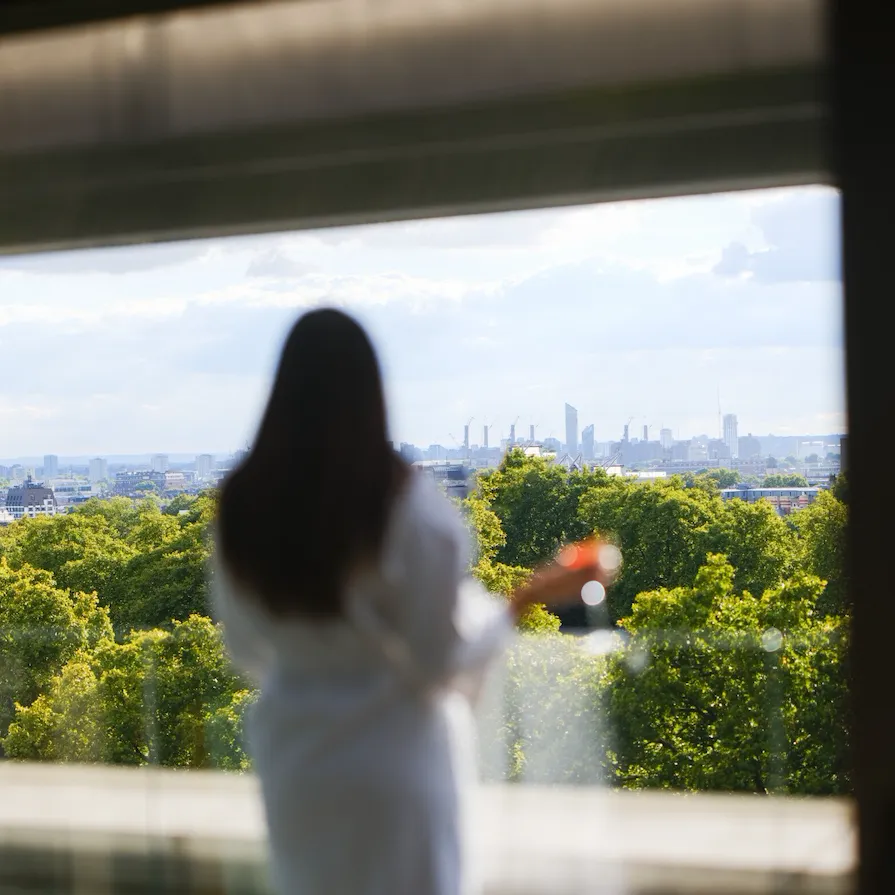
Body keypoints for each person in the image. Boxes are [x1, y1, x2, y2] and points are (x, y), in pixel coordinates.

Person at [212, 308, 613, 895]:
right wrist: (527, 596)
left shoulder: (242, 507)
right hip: (395, 761)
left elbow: (246, 646)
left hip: (294, 758)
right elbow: (438, 660)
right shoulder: (405, 506)